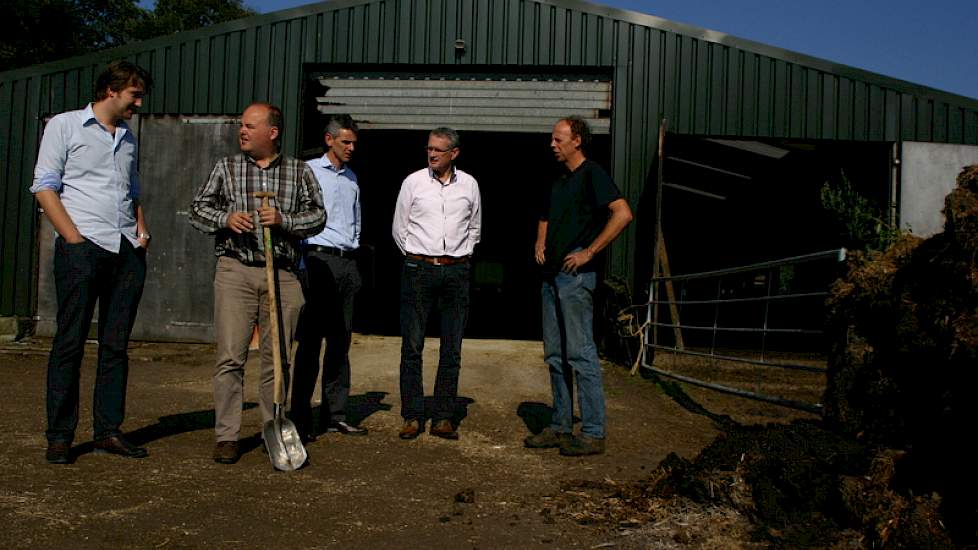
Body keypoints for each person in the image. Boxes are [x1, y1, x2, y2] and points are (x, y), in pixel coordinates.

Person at [31, 61, 154, 464]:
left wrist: (141, 230)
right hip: (83, 248)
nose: (139, 103)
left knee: (115, 347)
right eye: (135, 95)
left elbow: (131, 190)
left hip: (126, 251)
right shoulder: (64, 126)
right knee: (69, 342)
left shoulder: (129, 138)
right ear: (112, 90)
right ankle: (61, 435)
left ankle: (108, 431)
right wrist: (74, 239)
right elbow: (45, 186)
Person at [189, 102, 326, 465]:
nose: (243, 132)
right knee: (230, 357)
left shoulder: (298, 171)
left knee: (277, 359)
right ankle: (227, 436)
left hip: (282, 272)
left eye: (251, 126)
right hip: (236, 270)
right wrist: (225, 218)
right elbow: (198, 209)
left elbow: (318, 216)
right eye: (241, 126)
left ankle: (274, 427)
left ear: (273, 132)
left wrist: (284, 220)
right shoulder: (227, 167)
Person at [525, 116, 633, 457]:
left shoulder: (593, 174)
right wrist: (540, 242)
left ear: (577, 141)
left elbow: (623, 213)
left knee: (580, 353)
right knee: (555, 355)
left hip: (574, 278)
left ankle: (592, 431)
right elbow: (544, 215)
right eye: (552, 139)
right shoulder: (559, 180)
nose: (552, 145)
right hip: (550, 277)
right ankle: (559, 425)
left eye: (558, 139)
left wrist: (589, 252)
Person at [391, 127, 481, 440]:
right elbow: (399, 228)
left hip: (456, 271)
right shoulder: (413, 182)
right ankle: (412, 415)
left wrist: (461, 255)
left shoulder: (469, 185)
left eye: (438, 150)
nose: (431, 154)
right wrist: (418, 257)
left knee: (451, 348)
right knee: (412, 346)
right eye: (429, 149)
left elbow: (475, 228)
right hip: (419, 269)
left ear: (454, 153)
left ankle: (443, 416)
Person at [291, 114, 366, 441]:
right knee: (310, 343)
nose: (351, 148)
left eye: (354, 143)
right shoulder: (308, 171)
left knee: (341, 342)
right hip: (318, 260)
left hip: (346, 262)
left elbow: (356, 219)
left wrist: (353, 257)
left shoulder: (351, 178)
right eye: (345, 142)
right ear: (329, 139)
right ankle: (300, 417)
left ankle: (335, 414)